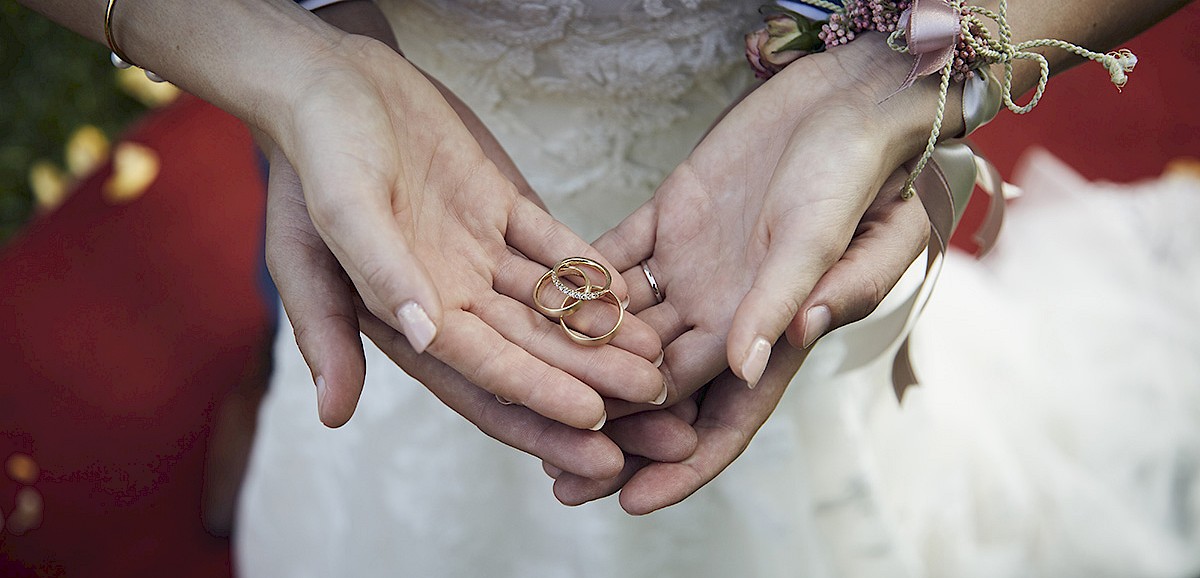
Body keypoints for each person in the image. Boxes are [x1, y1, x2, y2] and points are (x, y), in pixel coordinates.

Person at [16, 0, 1199, 575]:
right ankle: (292, 342)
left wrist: (902, 86)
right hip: (391, 98)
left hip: (771, 150)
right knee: (340, 231)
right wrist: (287, 64)